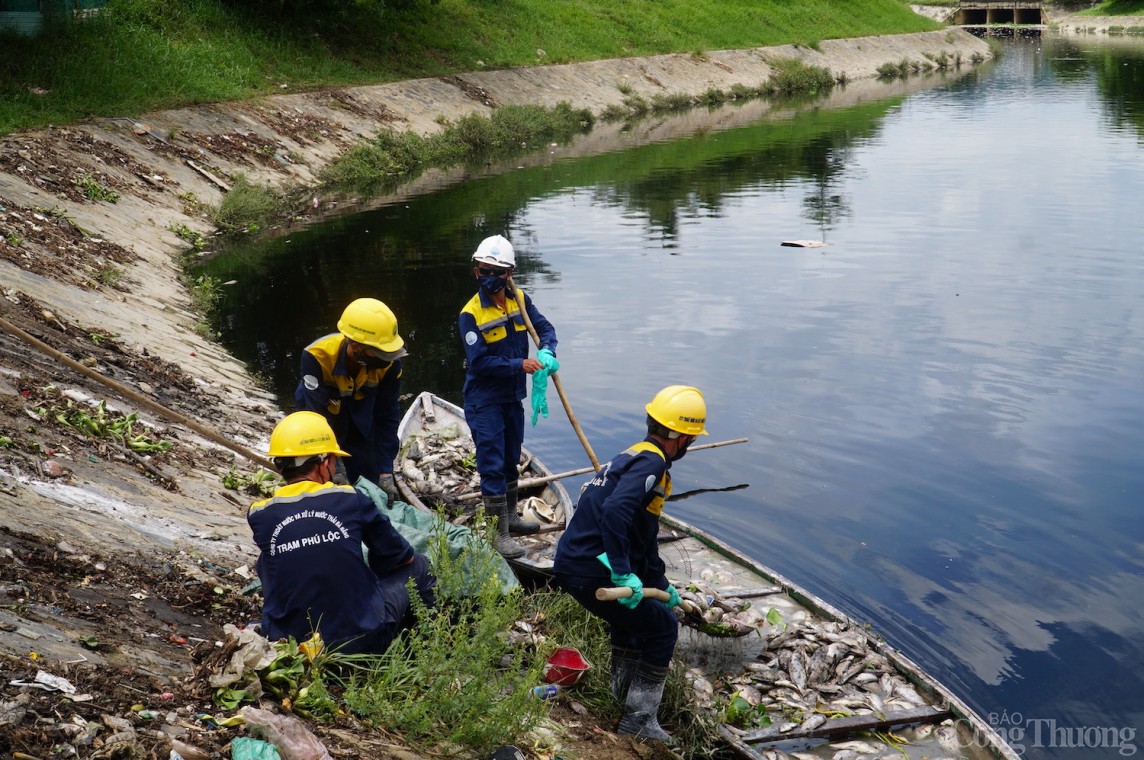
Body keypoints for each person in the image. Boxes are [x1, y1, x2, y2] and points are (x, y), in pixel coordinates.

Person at [552, 386, 709, 741]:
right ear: (682, 438)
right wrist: (622, 571)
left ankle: (619, 696)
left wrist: (660, 584)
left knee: (632, 623)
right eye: (692, 439)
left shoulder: (632, 455)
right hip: (595, 570)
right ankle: (638, 721)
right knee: (663, 629)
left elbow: (642, 534)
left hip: (572, 562)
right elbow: (616, 510)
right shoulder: (653, 462)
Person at [248, 411, 436, 655]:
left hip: (292, 648)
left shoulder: (259, 514)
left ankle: (290, 631)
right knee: (420, 565)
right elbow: (402, 557)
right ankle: (422, 652)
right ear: (323, 462)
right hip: (361, 639)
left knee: (265, 560)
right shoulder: (350, 498)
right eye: (335, 461)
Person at [458, 234, 559, 558]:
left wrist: (546, 351)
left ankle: (512, 519)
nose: (487, 277)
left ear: (509, 273)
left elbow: (546, 329)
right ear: (476, 271)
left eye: (495, 272)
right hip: (483, 400)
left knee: (511, 459)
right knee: (492, 465)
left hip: (511, 398)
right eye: (482, 270)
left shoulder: (521, 300)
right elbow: (480, 362)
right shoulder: (470, 314)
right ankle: (498, 534)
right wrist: (520, 364)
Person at [295, 297, 405, 503]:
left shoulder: (390, 365)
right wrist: (333, 466)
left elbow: (387, 417)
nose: (387, 358)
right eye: (380, 352)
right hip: (324, 412)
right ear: (356, 347)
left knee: (369, 482)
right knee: (326, 481)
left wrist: (385, 472)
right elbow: (316, 418)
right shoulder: (316, 356)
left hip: (363, 413)